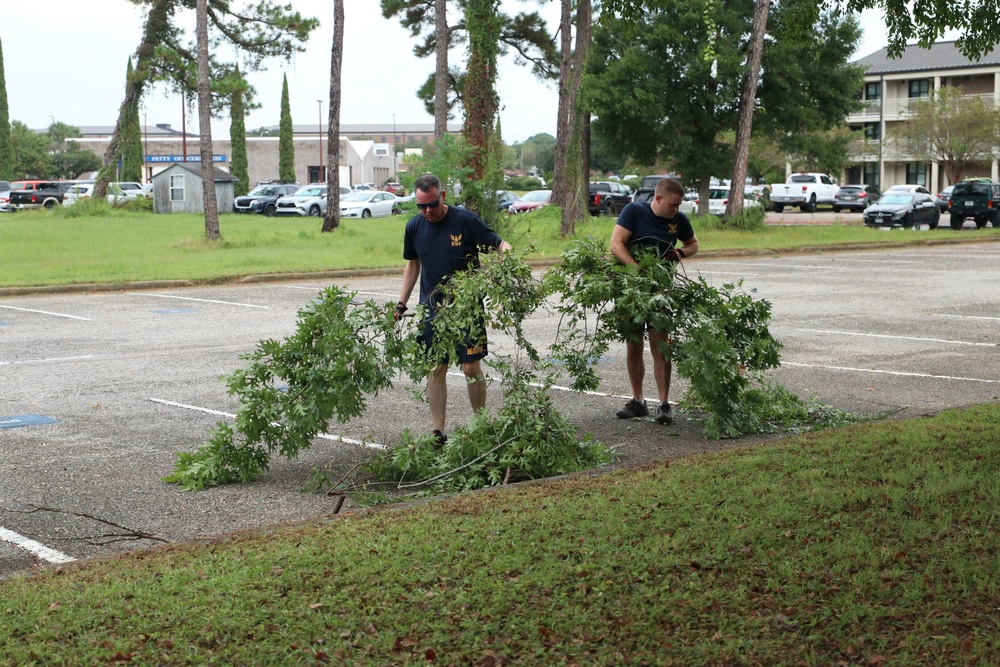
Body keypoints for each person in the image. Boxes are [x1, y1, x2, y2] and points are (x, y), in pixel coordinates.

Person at [396, 174, 512, 443]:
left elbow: (500, 244)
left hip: (466, 309)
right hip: (432, 312)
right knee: (436, 367)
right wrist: (400, 304)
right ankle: (437, 431)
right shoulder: (414, 227)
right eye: (421, 206)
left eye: (432, 205)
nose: (427, 211)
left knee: (471, 366)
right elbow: (412, 266)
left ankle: (481, 425)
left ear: (443, 196)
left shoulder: (464, 220)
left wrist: (508, 266)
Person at [608, 177, 699, 425]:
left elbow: (693, 244)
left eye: (679, 205)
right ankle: (638, 401)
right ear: (658, 199)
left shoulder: (678, 220)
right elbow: (616, 244)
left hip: (661, 291)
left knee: (661, 347)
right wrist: (636, 270)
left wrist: (680, 252)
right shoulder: (634, 211)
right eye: (672, 205)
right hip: (631, 291)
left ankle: (664, 404)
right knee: (634, 344)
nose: (676, 210)